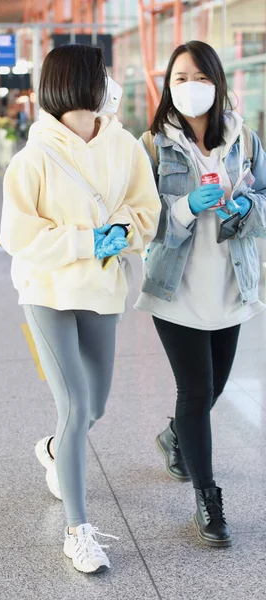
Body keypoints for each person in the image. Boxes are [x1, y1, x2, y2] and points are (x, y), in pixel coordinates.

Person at [0, 44, 161, 574]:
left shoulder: (123, 146)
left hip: (101, 291)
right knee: (74, 406)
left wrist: (125, 232)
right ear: (81, 82)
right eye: (104, 74)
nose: (111, 83)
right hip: (47, 292)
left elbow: (146, 208)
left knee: (96, 407)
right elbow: (19, 236)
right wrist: (89, 241)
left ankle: (52, 449)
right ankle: (79, 530)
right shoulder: (33, 158)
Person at [136, 40, 266, 547]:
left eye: (199, 77)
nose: (190, 87)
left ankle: (173, 436)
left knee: (212, 390)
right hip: (177, 285)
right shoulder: (149, 146)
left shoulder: (247, 141)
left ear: (217, 80)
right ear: (169, 86)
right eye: (180, 78)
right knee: (195, 390)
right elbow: (143, 223)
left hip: (231, 282)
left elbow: (264, 201)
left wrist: (244, 210)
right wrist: (186, 207)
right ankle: (207, 497)